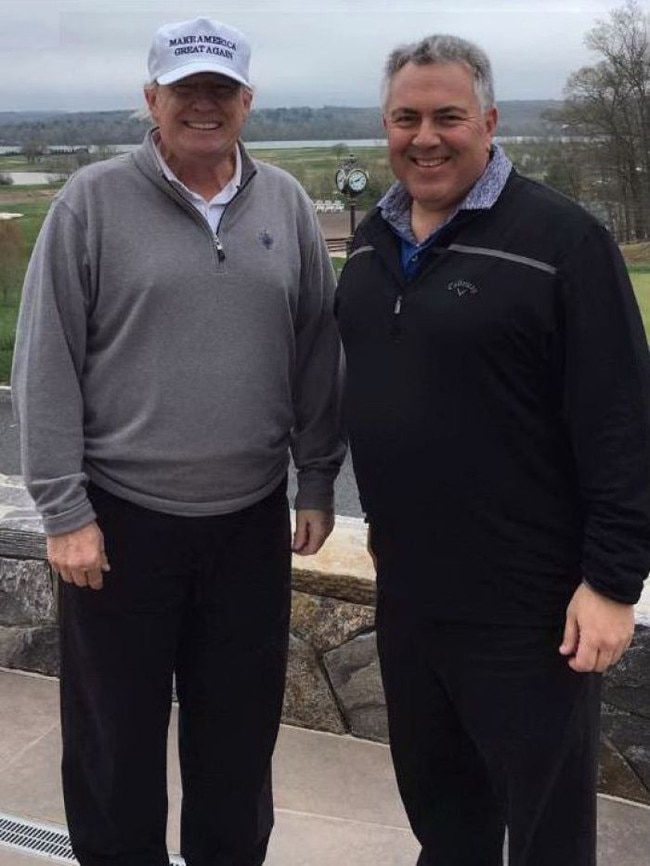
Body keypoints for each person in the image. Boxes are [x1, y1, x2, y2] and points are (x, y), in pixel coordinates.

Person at [12, 16, 344, 866]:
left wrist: (314, 479)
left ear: (248, 101)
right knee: (115, 747)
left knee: (237, 744)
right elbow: (46, 360)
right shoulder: (90, 203)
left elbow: (315, 350)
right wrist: (63, 509)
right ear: (150, 99)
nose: (205, 105)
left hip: (247, 526)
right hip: (119, 527)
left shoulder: (287, 207)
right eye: (186, 90)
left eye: (221, 91)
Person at [335, 33, 650, 866]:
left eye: (448, 116)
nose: (426, 136)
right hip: (409, 593)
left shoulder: (562, 240)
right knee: (443, 818)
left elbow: (622, 421)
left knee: (545, 833)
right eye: (407, 118)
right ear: (386, 124)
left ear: (490, 121)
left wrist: (613, 584)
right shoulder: (371, 244)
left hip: (530, 610)